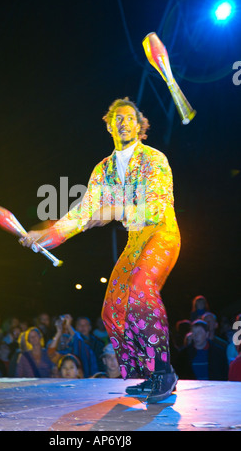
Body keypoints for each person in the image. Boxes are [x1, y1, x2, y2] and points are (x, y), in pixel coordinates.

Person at [20, 97, 181, 403]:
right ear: (108, 125)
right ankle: (144, 376)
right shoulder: (103, 170)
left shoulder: (154, 160)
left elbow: (155, 209)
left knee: (140, 289)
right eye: (116, 118)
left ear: (140, 125)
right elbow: (82, 214)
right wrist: (46, 235)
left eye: (129, 117)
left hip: (161, 234)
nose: (122, 121)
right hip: (135, 243)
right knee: (113, 310)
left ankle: (163, 371)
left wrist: (110, 210)